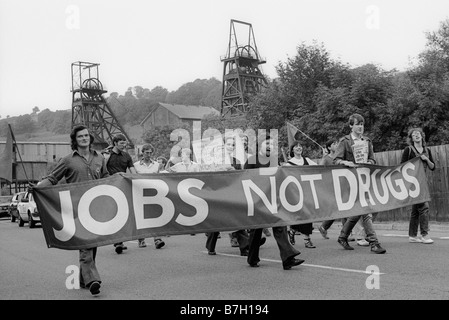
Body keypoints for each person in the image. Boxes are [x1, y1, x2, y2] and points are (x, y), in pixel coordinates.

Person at [34, 125, 109, 296]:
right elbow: (53, 178)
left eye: (86, 136)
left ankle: (83, 279)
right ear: (75, 140)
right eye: (80, 136)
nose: (84, 138)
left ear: (90, 138)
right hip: (77, 207)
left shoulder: (100, 158)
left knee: (92, 242)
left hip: (96, 206)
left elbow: (106, 178)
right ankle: (93, 280)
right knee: (86, 243)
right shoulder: (68, 160)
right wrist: (38, 187)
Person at [244, 135, 304, 270]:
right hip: (257, 200)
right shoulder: (252, 160)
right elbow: (245, 180)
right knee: (256, 230)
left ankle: (288, 258)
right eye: (267, 143)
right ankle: (252, 258)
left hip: (272, 198)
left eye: (272, 144)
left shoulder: (273, 160)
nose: (270, 146)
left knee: (279, 225)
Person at [334, 113, 386, 254]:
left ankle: (343, 236)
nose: (360, 127)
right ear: (351, 126)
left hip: (365, 180)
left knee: (359, 211)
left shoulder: (367, 141)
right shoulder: (345, 141)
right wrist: (346, 162)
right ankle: (374, 242)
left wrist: (369, 162)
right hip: (350, 181)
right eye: (357, 124)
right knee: (364, 209)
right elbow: (336, 160)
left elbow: (373, 159)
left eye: (362, 124)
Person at [205, 135, 251, 256]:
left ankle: (244, 247)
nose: (231, 147)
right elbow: (209, 177)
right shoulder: (215, 161)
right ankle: (210, 246)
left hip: (233, 194)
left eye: (233, 145)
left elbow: (241, 177)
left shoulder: (237, 161)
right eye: (228, 144)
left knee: (238, 220)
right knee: (216, 221)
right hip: (218, 194)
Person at [400, 127, 435, 244]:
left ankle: (412, 235)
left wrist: (426, 159)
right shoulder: (408, 150)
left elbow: (433, 167)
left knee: (416, 210)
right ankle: (425, 235)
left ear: (422, 136)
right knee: (424, 207)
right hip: (413, 184)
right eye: (414, 134)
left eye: (418, 133)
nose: (416, 135)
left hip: (423, 183)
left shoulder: (427, 150)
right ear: (411, 138)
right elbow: (402, 167)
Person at [105, 133, 137, 254]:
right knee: (114, 213)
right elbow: (102, 169)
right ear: (115, 143)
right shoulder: (107, 155)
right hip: (109, 186)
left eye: (125, 143)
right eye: (121, 143)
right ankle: (118, 241)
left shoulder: (127, 156)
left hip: (123, 187)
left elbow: (133, 171)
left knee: (123, 213)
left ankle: (120, 240)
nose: (124, 145)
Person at [283, 140, 317, 249]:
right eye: (296, 146)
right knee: (299, 215)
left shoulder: (307, 160)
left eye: (300, 146)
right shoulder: (288, 164)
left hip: (307, 192)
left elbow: (318, 168)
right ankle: (293, 230)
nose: (299, 148)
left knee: (308, 215)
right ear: (292, 149)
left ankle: (307, 239)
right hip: (296, 193)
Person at [133, 144, 166, 249]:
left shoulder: (157, 165)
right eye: (147, 152)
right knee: (141, 217)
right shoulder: (136, 165)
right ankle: (141, 239)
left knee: (155, 217)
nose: (149, 154)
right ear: (142, 153)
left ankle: (157, 239)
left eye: (150, 152)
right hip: (139, 194)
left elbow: (161, 179)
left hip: (153, 193)